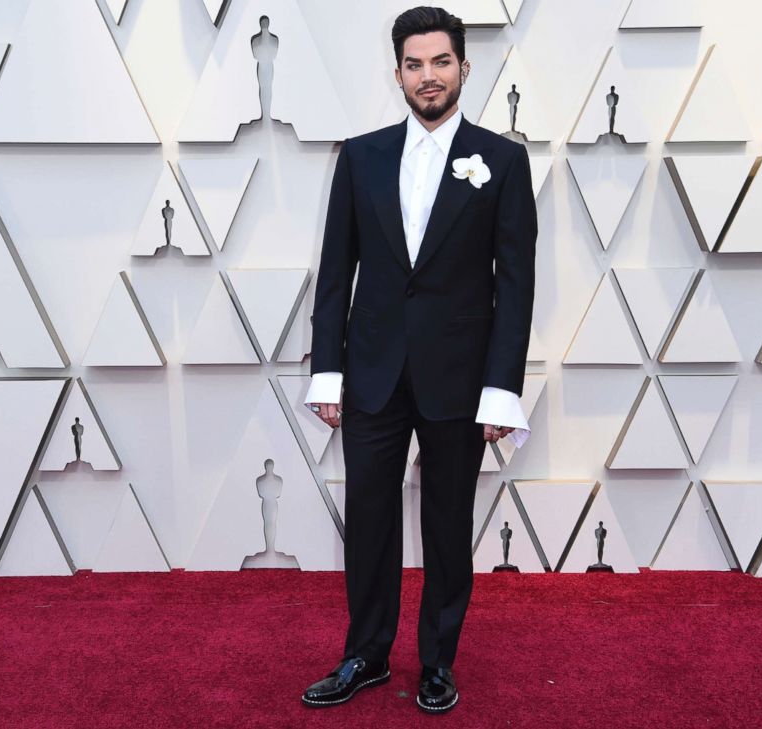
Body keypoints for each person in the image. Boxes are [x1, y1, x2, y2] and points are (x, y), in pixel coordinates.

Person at [300, 6, 536, 714]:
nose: (427, 76)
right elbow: (335, 271)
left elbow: (516, 285)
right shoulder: (361, 155)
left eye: (440, 62)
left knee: (445, 526)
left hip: (459, 380)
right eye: (413, 63)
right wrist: (328, 370)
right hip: (371, 371)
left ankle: (437, 662)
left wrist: (501, 390)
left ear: (465, 67)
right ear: (396, 71)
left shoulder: (502, 160)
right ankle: (365, 656)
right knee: (368, 519)